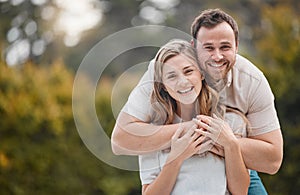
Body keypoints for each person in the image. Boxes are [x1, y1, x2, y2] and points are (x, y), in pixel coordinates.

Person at [111, 8, 283, 194]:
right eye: (208, 48)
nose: (217, 57)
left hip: (236, 159)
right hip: (175, 153)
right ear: (193, 47)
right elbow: (120, 141)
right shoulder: (162, 69)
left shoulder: (252, 81)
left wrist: (229, 143)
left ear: (236, 46)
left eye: (225, 47)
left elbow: (272, 161)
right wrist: (196, 132)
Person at [139, 39, 249, 195]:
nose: (183, 82)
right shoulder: (153, 132)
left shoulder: (231, 121)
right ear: (162, 84)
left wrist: (231, 145)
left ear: (202, 73)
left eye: (188, 71)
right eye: (172, 76)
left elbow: (240, 191)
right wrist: (176, 158)